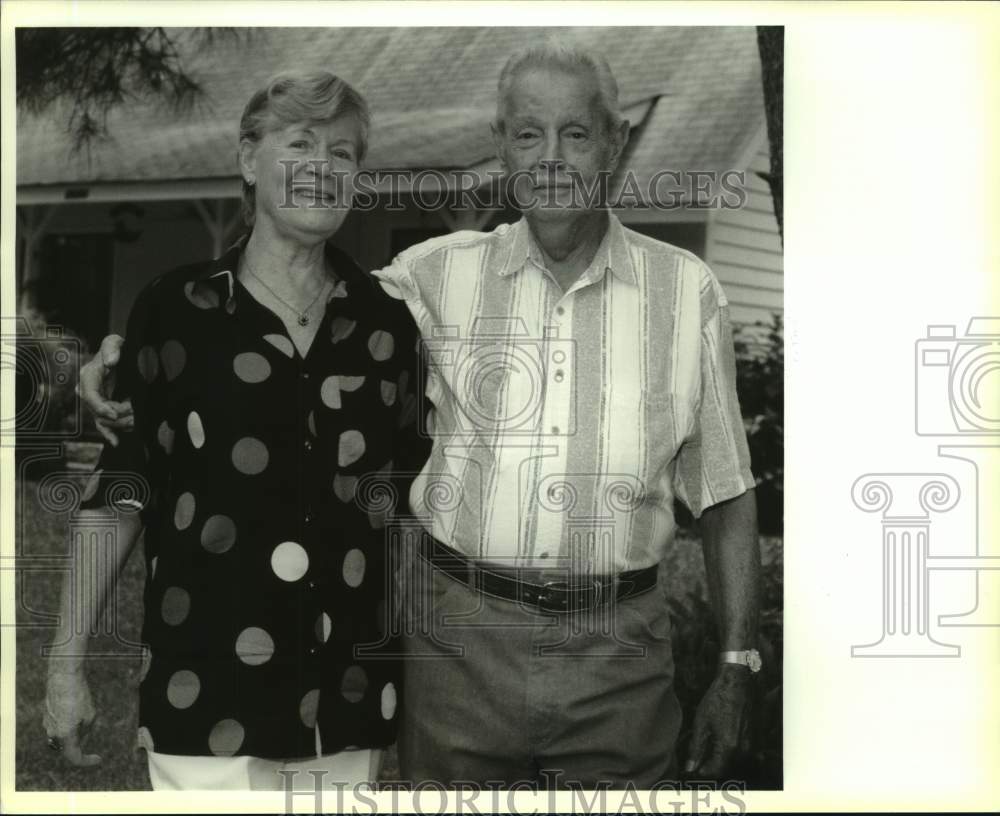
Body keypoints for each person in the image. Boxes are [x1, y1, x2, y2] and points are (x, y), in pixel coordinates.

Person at [77, 42, 762, 789]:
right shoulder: (434, 278)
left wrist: (736, 661)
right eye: (529, 134)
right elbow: (286, 297)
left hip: (621, 654)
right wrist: (118, 356)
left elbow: (726, 489)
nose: (552, 158)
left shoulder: (687, 293)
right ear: (501, 146)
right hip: (459, 649)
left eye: (577, 133)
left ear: (614, 143)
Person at [44, 71, 425, 790]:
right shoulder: (174, 313)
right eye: (300, 143)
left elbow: (408, 504)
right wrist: (65, 666)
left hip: (345, 702)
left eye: (343, 154)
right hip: (203, 692)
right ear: (249, 160)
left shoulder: (388, 324)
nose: (323, 168)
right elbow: (120, 490)